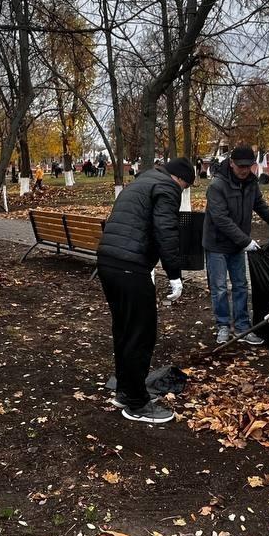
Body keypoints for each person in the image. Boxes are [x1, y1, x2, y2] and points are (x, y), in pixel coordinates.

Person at [95, 157, 194, 424]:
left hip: (108, 262)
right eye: (184, 188)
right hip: (130, 267)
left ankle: (126, 390)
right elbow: (166, 231)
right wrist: (175, 275)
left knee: (125, 330)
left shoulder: (141, 182)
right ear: (181, 180)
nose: (182, 193)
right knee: (141, 333)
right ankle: (136, 403)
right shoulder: (167, 188)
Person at [203, 145, 269, 346]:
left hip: (237, 245)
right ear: (231, 163)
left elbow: (260, 206)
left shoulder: (251, 182)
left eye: (248, 166)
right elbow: (220, 219)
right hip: (217, 244)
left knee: (241, 285)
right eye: (240, 166)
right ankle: (223, 326)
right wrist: (246, 241)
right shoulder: (217, 185)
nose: (244, 170)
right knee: (220, 287)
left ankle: (242, 327)